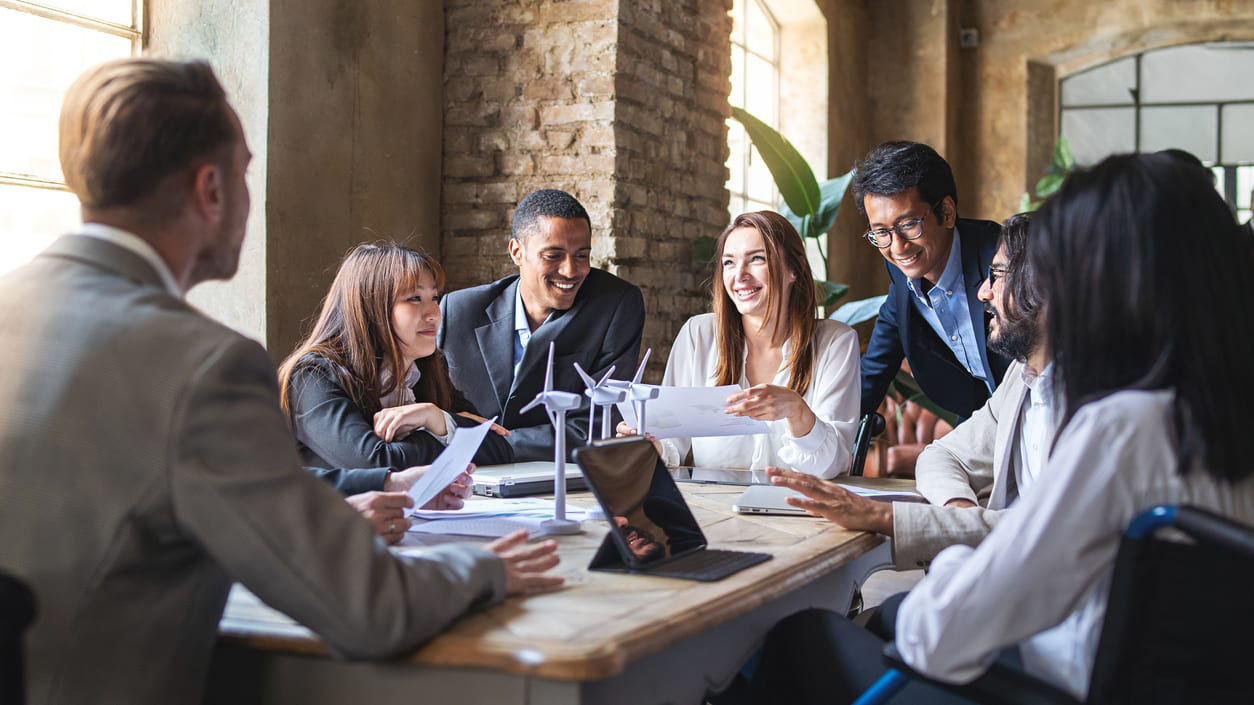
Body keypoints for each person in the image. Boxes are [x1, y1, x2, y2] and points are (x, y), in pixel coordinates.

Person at [0, 58, 563, 705]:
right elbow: (368, 607)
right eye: (246, 171)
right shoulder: (206, 366)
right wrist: (486, 566)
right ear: (210, 189)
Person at [720, 153, 1254, 703]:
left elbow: (940, 637)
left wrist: (956, 552)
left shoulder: (1122, 429)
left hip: (1041, 681)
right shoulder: (1215, 416)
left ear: (1112, 284)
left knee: (801, 639)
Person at [769, 213, 1054, 570]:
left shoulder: (1100, 408)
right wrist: (958, 512)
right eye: (880, 232)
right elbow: (939, 456)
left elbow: (1048, 532)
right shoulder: (1021, 379)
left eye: (996, 276)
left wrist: (882, 517)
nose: (983, 291)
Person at [620, 211, 859, 479]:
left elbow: (831, 465)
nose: (740, 275)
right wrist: (652, 445)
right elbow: (672, 444)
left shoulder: (835, 343)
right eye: (729, 263)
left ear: (795, 269)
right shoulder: (698, 335)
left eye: (757, 259)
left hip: (798, 514)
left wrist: (797, 411)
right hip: (711, 512)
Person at [278, 242, 513, 489]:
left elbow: (501, 448)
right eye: (414, 298)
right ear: (371, 307)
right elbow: (376, 464)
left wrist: (438, 418)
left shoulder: (425, 368)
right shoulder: (313, 376)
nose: (434, 313)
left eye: (434, 297)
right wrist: (445, 436)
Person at [438, 189, 645, 460]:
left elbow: (598, 423)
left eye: (582, 255)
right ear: (516, 252)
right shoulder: (458, 310)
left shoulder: (615, 305)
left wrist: (483, 444)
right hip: (463, 479)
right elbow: (436, 405)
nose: (571, 270)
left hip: (562, 480)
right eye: (553, 256)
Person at [856, 141, 1010, 422]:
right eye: (881, 232)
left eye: (909, 224)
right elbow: (874, 371)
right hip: (983, 424)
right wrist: (821, 439)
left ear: (947, 213)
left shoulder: (1002, 258)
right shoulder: (903, 276)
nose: (898, 247)